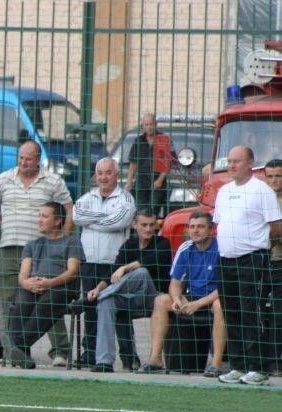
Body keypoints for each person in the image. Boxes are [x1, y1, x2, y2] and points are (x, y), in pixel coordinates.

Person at [0, 141, 74, 366]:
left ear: (38, 159)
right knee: (10, 301)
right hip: (10, 248)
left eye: (28, 159)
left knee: (47, 299)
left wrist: (61, 242)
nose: (23, 163)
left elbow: (69, 210)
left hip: (42, 249)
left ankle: (60, 350)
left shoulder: (53, 181)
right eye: (20, 158)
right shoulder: (4, 179)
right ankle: (14, 350)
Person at [212, 145, 282, 386]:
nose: (232, 165)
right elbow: (220, 223)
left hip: (251, 257)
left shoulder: (261, 191)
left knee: (251, 312)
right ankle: (238, 365)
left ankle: (258, 367)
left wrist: (262, 246)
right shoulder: (223, 191)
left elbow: (275, 226)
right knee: (231, 312)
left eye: (237, 161)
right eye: (229, 161)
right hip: (226, 259)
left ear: (250, 163)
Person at [85, 209, 172, 373]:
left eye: (151, 225)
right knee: (106, 302)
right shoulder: (129, 244)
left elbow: (149, 261)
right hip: (131, 296)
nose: (148, 229)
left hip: (154, 297)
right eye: (144, 225)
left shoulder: (163, 243)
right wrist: (97, 290)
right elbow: (112, 271)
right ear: (135, 225)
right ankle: (104, 361)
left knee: (141, 272)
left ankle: (105, 294)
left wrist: (125, 268)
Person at [138, 212, 226, 374]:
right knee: (161, 301)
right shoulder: (185, 248)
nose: (195, 231)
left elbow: (226, 287)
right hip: (191, 297)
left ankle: (216, 364)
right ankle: (155, 359)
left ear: (211, 229)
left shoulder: (222, 248)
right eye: (192, 227)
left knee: (220, 305)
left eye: (200, 227)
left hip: (216, 297)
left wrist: (197, 304)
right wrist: (177, 299)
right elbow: (175, 283)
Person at [71, 157, 136, 366]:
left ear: (117, 175)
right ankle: (89, 353)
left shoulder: (126, 199)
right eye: (100, 173)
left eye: (108, 173)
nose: (103, 177)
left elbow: (120, 221)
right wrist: (105, 217)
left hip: (114, 262)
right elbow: (76, 216)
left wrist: (92, 222)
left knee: (119, 310)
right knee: (90, 308)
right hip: (90, 261)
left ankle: (128, 357)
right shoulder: (87, 197)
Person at [6, 202, 83, 369]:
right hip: (34, 285)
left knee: (46, 304)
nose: (39, 220)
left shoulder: (71, 243)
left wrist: (50, 283)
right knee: (22, 303)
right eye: (39, 215)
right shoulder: (32, 245)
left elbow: (72, 271)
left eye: (44, 216)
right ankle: (22, 354)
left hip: (60, 287)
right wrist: (26, 283)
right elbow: (23, 272)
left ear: (57, 221)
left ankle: (16, 346)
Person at [125, 113, 175, 217]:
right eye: (146, 124)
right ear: (142, 126)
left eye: (151, 124)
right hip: (141, 179)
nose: (149, 127)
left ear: (156, 124)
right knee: (140, 210)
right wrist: (129, 182)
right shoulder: (138, 141)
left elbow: (168, 161)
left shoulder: (164, 139)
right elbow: (133, 163)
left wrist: (160, 180)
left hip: (157, 178)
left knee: (153, 210)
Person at [263, 158, 282, 376]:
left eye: (278, 175)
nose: (274, 180)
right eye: (271, 176)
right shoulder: (260, 197)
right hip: (259, 261)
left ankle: (275, 360)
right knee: (254, 310)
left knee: (278, 312)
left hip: (278, 262)